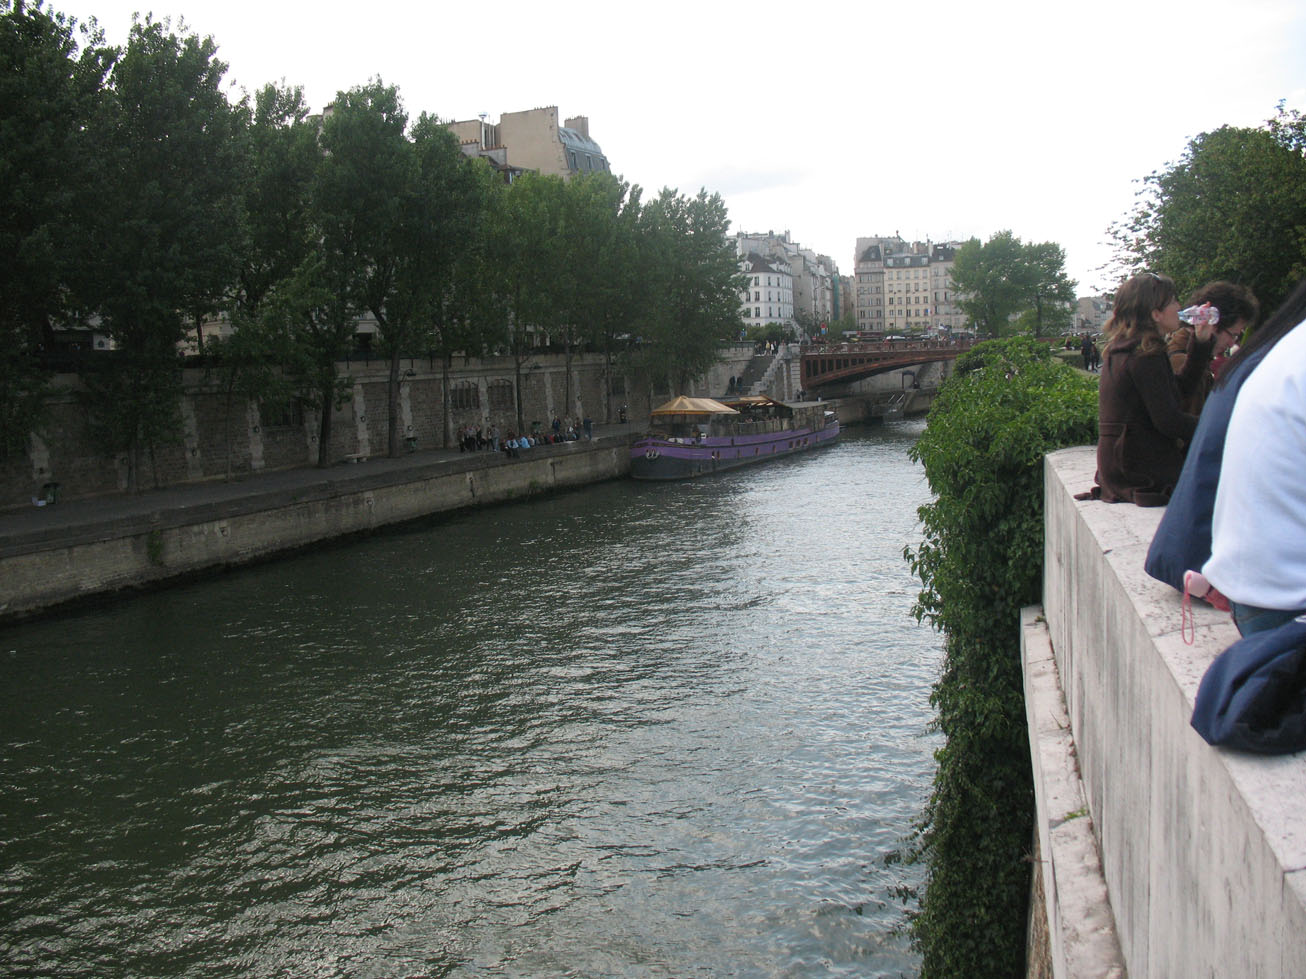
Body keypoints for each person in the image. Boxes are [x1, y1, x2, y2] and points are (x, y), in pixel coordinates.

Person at [1200, 278, 1306, 636]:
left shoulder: (1279, 351)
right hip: (1284, 602)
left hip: (1250, 587)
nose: (1234, 341)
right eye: (1233, 333)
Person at [1091, 271, 1216, 506]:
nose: (1179, 307)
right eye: (1173, 301)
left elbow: (1178, 393)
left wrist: (1200, 343)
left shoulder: (1127, 348)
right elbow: (1169, 421)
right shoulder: (1146, 355)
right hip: (1138, 470)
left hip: (1120, 465)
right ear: (1155, 314)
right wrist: (1219, 427)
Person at [1167, 281, 1259, 414]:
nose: (1231, 344)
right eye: (1232, 335)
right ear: (1213, 324)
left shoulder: (1187, 356)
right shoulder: (1183, 363)